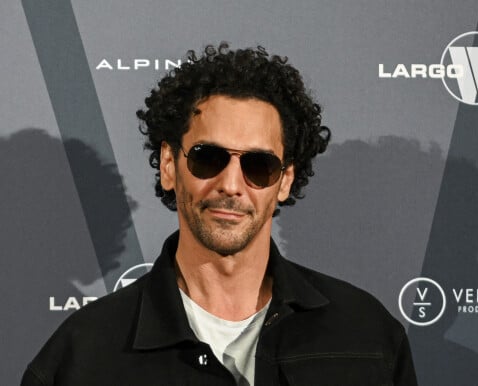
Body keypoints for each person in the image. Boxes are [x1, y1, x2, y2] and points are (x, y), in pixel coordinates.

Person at [22, 44, 417, 386]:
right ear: (168, 165)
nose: (231, 185)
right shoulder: (84, 357)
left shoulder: (366, 337)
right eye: (208, 158)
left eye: (258, 165)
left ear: (284, 180)